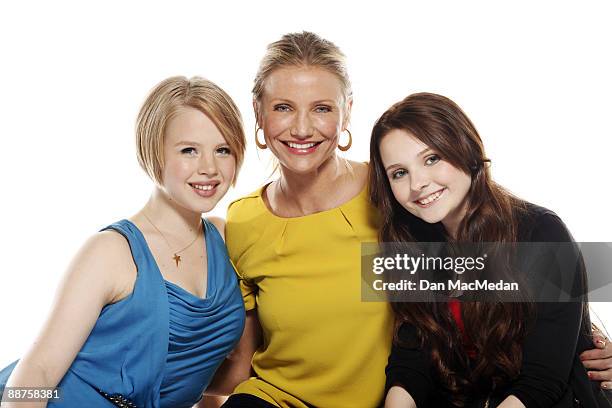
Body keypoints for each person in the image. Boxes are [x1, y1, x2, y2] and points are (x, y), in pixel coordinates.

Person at [203, 32, 612, 408]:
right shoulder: (405, 223)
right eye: (283, 107)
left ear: (346, 113)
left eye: (322, 108)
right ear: (258, 111)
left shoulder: (414, 208)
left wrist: (588, 337)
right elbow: (413, 350)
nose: (418, 184)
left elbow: (548, 333)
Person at [0, 76, 246, 407]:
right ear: (153, 151)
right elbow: (36, 374)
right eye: (189, 150)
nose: (209, 168)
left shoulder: (226, 239)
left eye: (222, 150)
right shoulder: (111, 252)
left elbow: (206, 370)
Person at [368, 92, 612, 407]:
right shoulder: (411, 245)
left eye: (432, 159)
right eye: (399, 173)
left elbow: (542, 381)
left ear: (466, 150)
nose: (417, 183)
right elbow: (411, 361)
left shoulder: (541, 232)